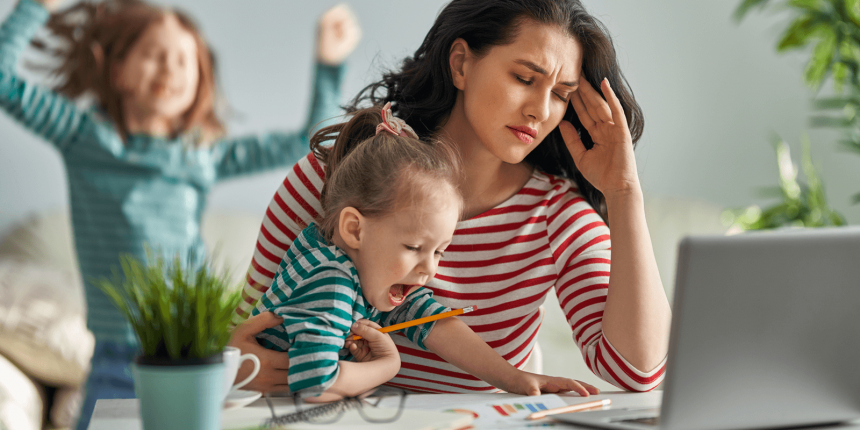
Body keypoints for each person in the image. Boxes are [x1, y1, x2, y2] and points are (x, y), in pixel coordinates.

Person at [230, 0, 672, 395]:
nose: (540, 110)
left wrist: (623, 193)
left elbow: (637, 372)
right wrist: (234, 366)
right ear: (460, 64)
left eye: (561, 95)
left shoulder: (557, 218)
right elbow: (239, 330)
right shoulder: (336, 177)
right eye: (524, 78)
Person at [0, 0, 359, 427]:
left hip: (196, 353)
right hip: (117, 358)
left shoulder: (199, 154)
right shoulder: (84, 137)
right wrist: (37, 7)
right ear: (118, 72)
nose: (170, 67)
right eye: (155, 54)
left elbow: (310, 141)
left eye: (184, 59)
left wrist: (329, 64)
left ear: (199, 81)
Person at [252, 103, 600, 401]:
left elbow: (432, 320)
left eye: (439, 253)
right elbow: (315, 384)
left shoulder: (361, 268)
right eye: (414, 248)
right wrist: (387, 367)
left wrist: (513, 378)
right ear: (354, 229)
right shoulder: (331, 282)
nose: (428, 270)